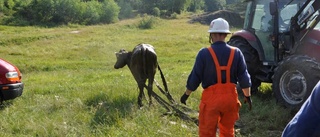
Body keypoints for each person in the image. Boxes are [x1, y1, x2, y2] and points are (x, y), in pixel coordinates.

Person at [180, 18, 252, 137]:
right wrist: (247, 96)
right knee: (228, 132)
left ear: (212, 34)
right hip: (230, 99)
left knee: (207, 133)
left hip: (211, 100)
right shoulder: (237, 52)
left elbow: (195, 78)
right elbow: (244, 77)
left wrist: (186, 94)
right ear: (226, 34)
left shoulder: (203, 53)